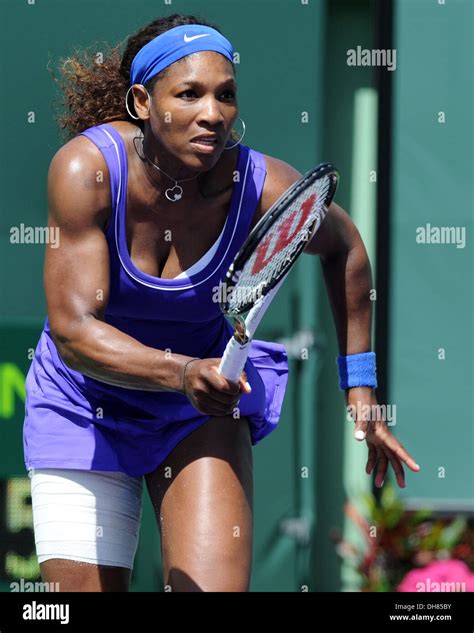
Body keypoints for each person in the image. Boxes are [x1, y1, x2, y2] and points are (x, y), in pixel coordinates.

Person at [24, 13, 420, 592]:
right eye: (189, 94)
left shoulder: (261, 186)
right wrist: (181, 371)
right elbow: (74, 332)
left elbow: (347, 248)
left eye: (226, 95)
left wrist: (359, 387)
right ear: (142, 101)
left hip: (198, 413)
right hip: (85, 405)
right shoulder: (87, 170)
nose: (213, 112)